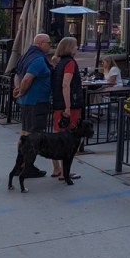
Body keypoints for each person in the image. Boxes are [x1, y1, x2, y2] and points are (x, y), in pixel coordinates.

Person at [13, 33, 53, 177]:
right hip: (36, 102)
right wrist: (21, 91)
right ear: (40, 43)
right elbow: (27, 78)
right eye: (48, 42)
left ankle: (21, 165)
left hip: (27, 102)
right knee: (32, 136)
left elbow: (17, 74)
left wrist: (17, 89)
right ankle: (26, 167)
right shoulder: (38, 59)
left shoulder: (26, 55)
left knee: (25, 133)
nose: (50, 45)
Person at [50, 37, 84, 179]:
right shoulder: (70, 63)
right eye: (75, 45)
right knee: (70, 139)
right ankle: (65, 172)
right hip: (69, 105)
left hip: (58, 104)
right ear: (70, 47)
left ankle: (57, 169)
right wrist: (68, 107)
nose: (77, 48)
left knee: (57, 138)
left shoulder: (58, 63)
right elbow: (66, 85)